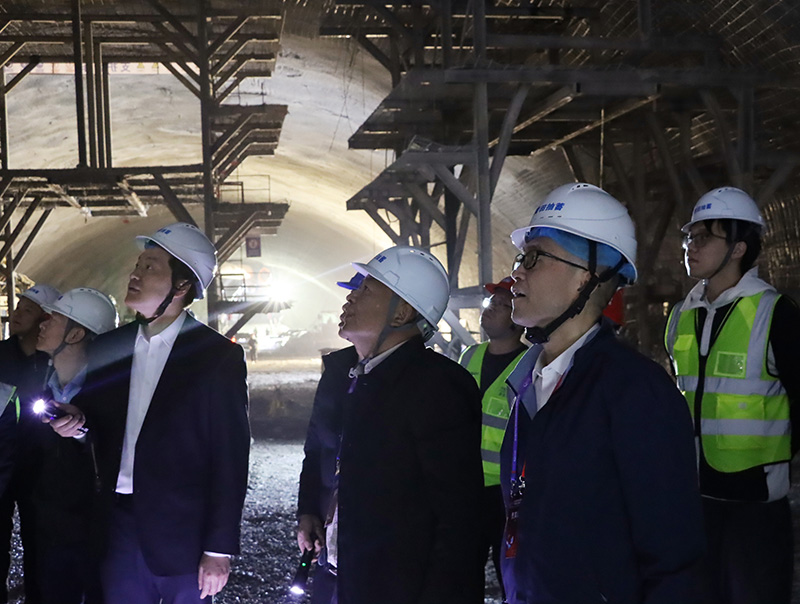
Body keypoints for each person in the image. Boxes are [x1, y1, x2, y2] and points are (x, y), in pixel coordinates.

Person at [501, 182, 705, 603]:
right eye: (521, 259)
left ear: (586, 277)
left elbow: (673, 559)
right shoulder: (530, 385)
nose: (515, 273)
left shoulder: (636, 393)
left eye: (534, 258)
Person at [49, 223, 250, 604]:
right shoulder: (110, 348)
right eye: (137, 265)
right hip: (118, 526)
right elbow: (96, 425)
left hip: (183, 533)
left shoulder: (215, 357)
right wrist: (77, 425)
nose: (135, 274)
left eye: (150, 267)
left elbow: (230, 455)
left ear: (182, 286)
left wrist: (219, 549)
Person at [296, 245, 484, 604]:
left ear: (401, 313)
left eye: (366, 290)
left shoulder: (437, 386)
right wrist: (309, 509)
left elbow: (458, 517)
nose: (350, 297)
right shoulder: (341, 373)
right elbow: (317, 449)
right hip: (337, 575)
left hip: (395, 586)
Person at [664, 187, 800, 604]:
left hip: (755, 505)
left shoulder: (775, 313)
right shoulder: (681, 315)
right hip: (694, 499)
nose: (691, 246)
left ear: (739, 247)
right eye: (690, 237)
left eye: (705, 237)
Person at [33, 287, 118, 604]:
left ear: (76, 334)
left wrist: (82, 432)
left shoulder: (110, 392)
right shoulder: (44, 385)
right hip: (52, 528)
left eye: (53, 319)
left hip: (93, 530)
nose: (42, 324)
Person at [458, 276, 526, 599]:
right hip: (466, 485)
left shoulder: (530, 365)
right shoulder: (469, 356)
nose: (490, 308)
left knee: (510, 573)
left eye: (501, 304)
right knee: (462, 572)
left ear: (517, 319)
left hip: (505, 494)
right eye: (491, 303)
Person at [0, 284, 60, 604]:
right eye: (18, 307)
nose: (16, 314)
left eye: (27, 310)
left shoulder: (54, 362)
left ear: (45, 319)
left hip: (40, 469)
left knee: (40, 544)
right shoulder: (1, 356)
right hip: (2, 464)